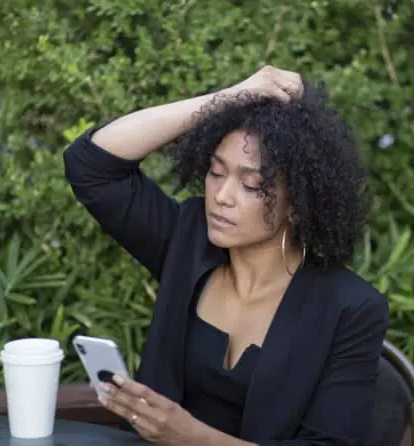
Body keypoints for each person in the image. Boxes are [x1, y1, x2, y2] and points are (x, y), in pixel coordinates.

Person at [63, 65, 389, 446]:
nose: (222, 196)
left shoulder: (350, 309)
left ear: (298, 204)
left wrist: (189, 436)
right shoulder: (186, 239)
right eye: (216, 173)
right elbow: (91, 165)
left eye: (251, 185)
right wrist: (233, 97)